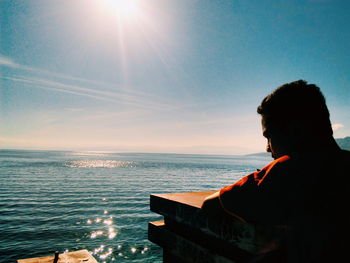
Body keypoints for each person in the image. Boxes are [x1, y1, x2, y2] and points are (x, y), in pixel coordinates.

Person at [201, 80, 350, 262]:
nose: (267, 148)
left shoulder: (291, 170)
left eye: (269, 136)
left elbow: (210, 204)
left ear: (296, 130)